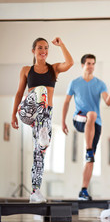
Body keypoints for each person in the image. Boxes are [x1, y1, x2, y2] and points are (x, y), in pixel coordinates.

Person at [11, 37, 73, 203]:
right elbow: (18, 93)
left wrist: (62, 45)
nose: (43, 50)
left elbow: (70, 62)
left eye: (46, 48)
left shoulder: (53, 69)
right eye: (40, 48)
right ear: (33, 51)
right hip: (27, 112)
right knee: (42, 90)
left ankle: (35, 191)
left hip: (44, 116)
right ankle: (44, 132)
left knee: (40, 154)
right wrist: (13, 115)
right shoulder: (26, 70)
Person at [62, 54, 110, 200]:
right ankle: (88, 150)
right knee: (91, 114)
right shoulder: (74, 83)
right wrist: (63, 121)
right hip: (79, 119)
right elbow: (66, 102)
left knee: (90, 160)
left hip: (95, 124)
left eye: (93, 63)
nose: (91, 66)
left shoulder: (99, 83)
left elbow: (108, 102)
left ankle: (83, 190)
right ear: (82, 65)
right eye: (88, 63)